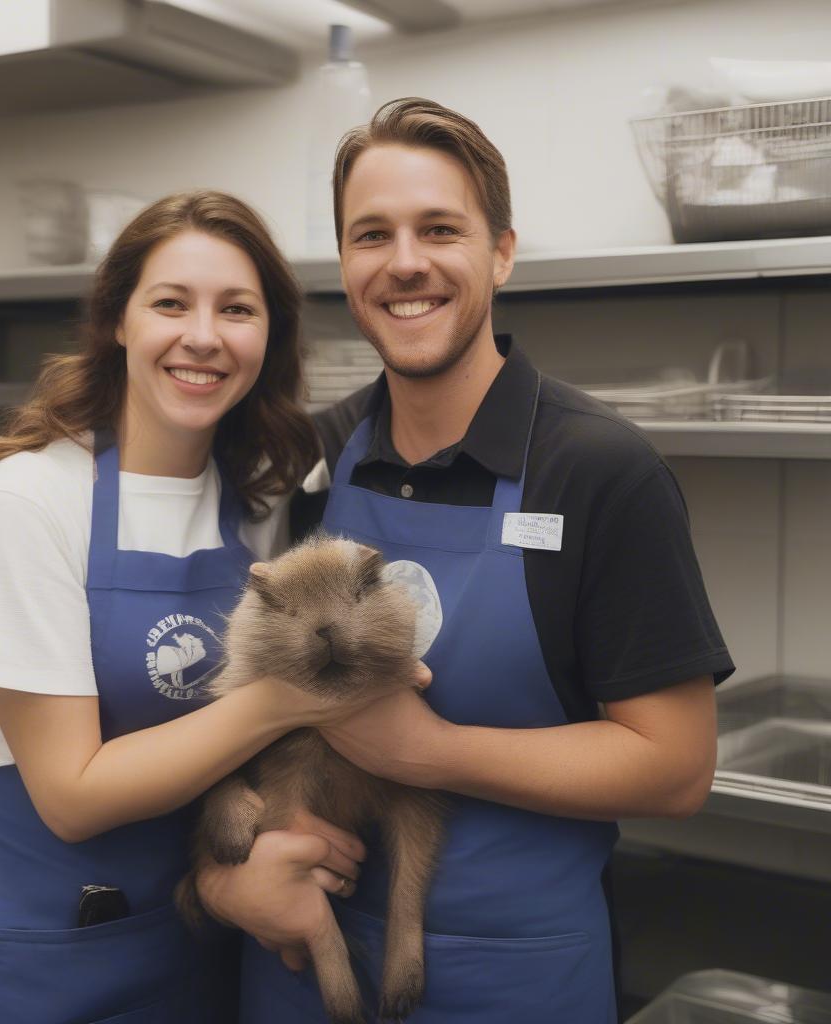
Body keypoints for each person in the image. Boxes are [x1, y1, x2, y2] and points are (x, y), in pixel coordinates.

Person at [202, 99, 734, 1022]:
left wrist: (434, 753)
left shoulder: (598, 470)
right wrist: (222, 886)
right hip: (297, 964)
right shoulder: (309, 466)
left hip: (513, 980)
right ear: (347, 265)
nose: (405, 262)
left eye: (440, 229)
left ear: (501, 252)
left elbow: (676, 769)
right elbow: (227, 708)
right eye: (373, 235)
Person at [0, 191, 379, 1024]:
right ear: (118, 319)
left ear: (270, 338)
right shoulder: (28, 503)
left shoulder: (260, 500)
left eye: (237, 309)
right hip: (22, 964)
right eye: (170, 303)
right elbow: (72, 795)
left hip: (189, 940)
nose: (203, 336)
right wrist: (298, 695)